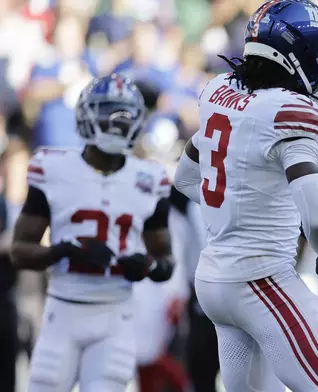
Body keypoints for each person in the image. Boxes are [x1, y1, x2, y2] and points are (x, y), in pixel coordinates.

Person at [173, 1, 318, 391]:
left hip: (213, 282)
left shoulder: (218, 92)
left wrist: (237, 207)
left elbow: (185, 178)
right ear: (295, 56)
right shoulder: (287, 109)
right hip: (260, 279)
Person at [10, 74, 175, 392]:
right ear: (86, 115)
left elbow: (165, 260)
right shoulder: (53, 168)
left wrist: (148, 266)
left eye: (123, 115)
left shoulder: (150, 178)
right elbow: (20, 251)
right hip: (63, 309)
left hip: (116, 316)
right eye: (106, 113)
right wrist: (65, 249)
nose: (114, 124)